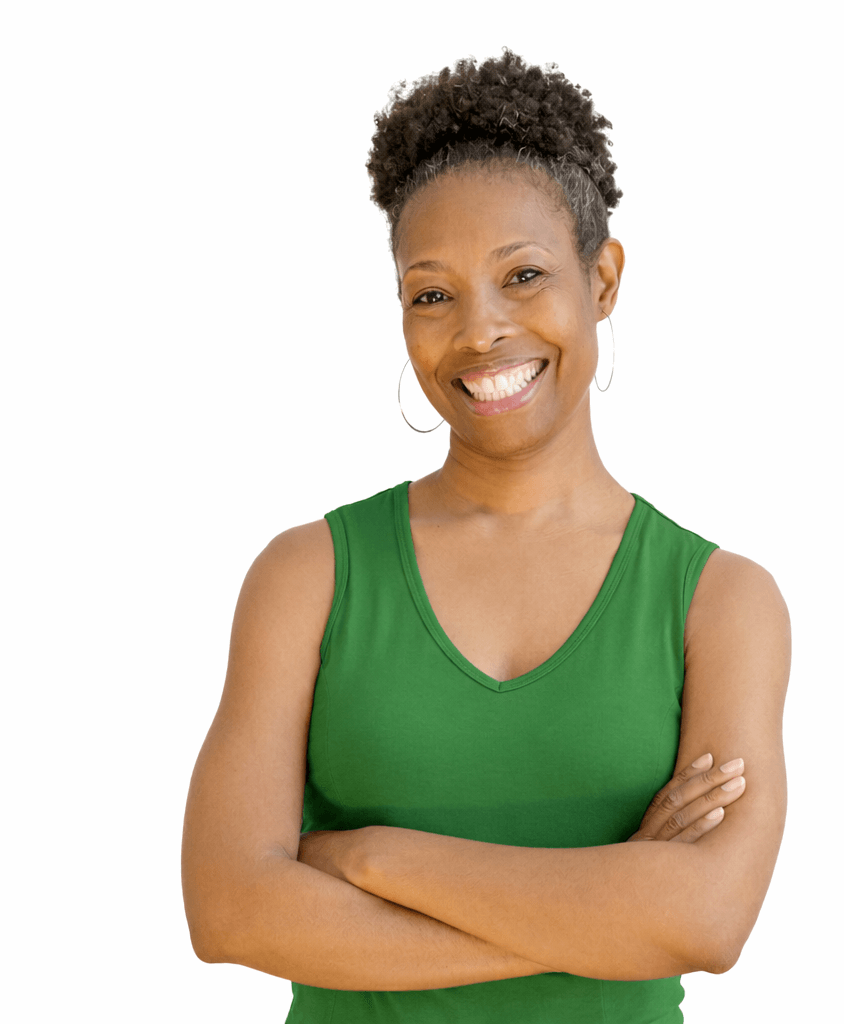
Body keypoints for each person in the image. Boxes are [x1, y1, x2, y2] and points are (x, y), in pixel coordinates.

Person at [181, 48, 791, 1024]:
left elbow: (709, 919)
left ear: (602, 278)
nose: (479, 330)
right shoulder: (307, 577)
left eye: (523, 275)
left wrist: (367, 859)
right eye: (432, 294)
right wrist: (613, 902)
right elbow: (228, 910)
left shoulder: (720, 600)